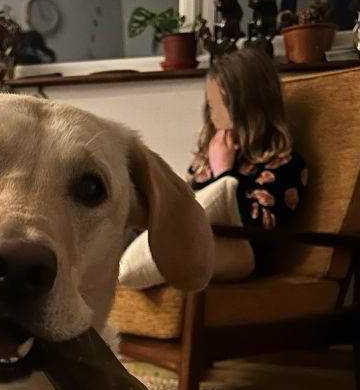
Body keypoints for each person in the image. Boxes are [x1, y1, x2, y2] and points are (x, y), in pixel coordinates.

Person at [120, 47, 307, 288]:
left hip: (237, 254)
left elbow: (258, 230)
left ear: (253, 105)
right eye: (211, 105)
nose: (215, 114)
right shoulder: (206, 158)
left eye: (223, 104)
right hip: (193, 240)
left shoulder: (287, 164)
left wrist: (224, 173)